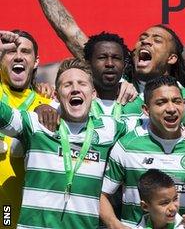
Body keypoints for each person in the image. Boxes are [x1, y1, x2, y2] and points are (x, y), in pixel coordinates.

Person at [11, 0, 185, 117]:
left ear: (172, 58)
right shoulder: (116, 77)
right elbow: (68, 30)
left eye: (157, 40)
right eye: (143, 37)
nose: (146, 41)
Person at [0, 52, 126, 228]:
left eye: (82, 84)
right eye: (67, 85)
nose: (75, 89)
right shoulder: (35, 124)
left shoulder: (109, 129)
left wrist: (128, 85)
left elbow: (151, 128)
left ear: (93, 93)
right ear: (57, 96)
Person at [100, 76, 185, 229]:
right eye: (161, 102)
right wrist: (114, 224)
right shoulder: (127, 146)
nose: (171, 109)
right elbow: (101, 194)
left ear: (184, 105)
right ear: (146, 110)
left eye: (177, 101)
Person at [0, 30, 51, 229]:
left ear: (36, 61)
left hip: (19, 213)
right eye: (11, 51)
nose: (19, 56)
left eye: (25, 51)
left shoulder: (48, 106)